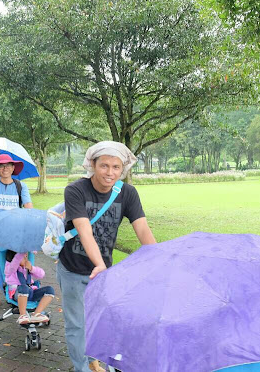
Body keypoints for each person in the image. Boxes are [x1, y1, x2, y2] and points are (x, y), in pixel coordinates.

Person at [57, 141, 157, 372]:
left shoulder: (127, 193)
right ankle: (82, 368)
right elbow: (84, 230)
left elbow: (142, 229)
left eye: (116, 167)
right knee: (77, 325)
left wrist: (158, 260)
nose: (110, 172)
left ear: (122, 169)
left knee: (108, 321)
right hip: (72, 267)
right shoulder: (75, 190)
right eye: (104, 166)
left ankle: (102, 362)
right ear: (93, 165)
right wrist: (99, 264)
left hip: (105, 272)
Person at [0, 154, 33, 308]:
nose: (5, 168)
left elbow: (28, 206)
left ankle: (20, 290)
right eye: (1, 166)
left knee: (18, 259)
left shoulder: (20, 186)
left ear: (13, 168)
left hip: (16, 229)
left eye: (8, 165)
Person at [4, 251, 54, 325]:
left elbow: (41, 274)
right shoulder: (10, 269)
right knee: (24, 288)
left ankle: (36, 314)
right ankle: (22, 315)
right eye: (23, 257)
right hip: (17, 294)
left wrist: (31, 268)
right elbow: (14, 265)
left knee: (50, 289)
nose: (26, 259)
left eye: (26, 257)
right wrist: (21, 253)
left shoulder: (26, 269)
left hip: (30, 292)